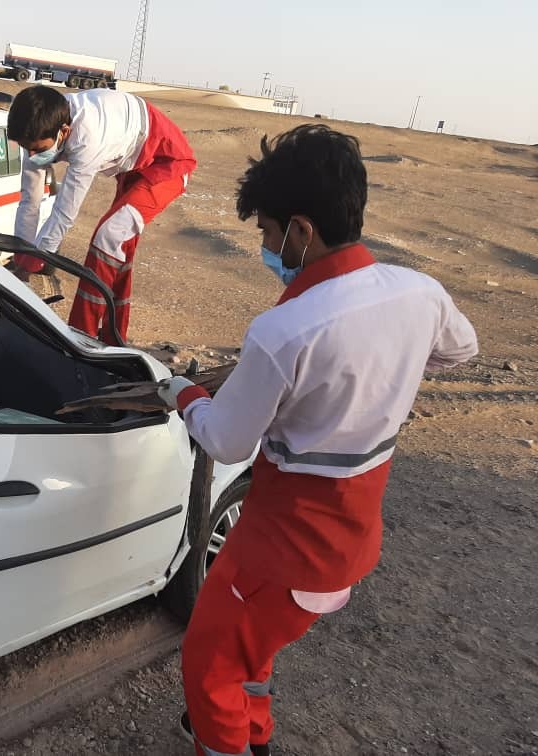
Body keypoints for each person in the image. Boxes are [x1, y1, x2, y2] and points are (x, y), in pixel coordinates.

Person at [157, 124, 477, 756]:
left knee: (209, 663)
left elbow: (224, 441)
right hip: (350, 540)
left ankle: (227, 743)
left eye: (269, 233)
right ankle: (258, 734)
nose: (268, 246)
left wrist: (183, 395)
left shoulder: (286, 330)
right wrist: (395, 367)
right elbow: (461, 351)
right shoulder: (419, 292)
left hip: (281, 549)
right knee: (255, 647)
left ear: (301, 231)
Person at [8, 86, 196, 344]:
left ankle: (81, 337)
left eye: (38, 150)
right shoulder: (40, 129)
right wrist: (21, 256)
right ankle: (114, 339)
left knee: (108, 236)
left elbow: (63, 214)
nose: (31, 156)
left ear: (64, 132)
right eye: (25, 148)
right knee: (119, 252)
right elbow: (30, 202)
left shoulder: (87, 137)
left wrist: (31, 266)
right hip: (131, 163)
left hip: (168, 161)